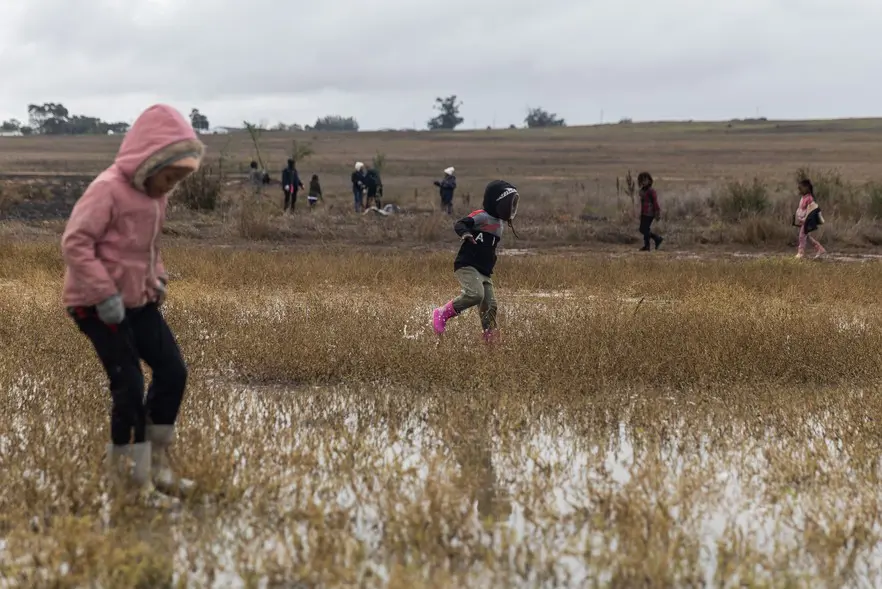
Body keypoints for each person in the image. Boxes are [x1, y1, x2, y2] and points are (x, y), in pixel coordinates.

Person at [61, 104, 202, 505]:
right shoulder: (107, 189)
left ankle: (155, 466)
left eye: (179, 179)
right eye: (169, 175)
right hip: (94, 305)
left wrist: (156, 278)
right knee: (129, 385)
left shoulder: (157, 197)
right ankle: (129, 481)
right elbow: (75, 242)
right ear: (148, 160)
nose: (170, 185)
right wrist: (104, 294)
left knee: (173, 370)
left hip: (137, 302)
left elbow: (148, 248)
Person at [431, 180, 520, 343]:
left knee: (490, 304)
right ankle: (442, 313)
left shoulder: (500, 223)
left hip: (484, 270)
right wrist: (466, 234)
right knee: (475, 294)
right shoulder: (482, 216)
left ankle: (489, 335)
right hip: (467, 265)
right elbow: (460, 224)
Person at [794, 178, 826, 258]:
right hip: (802, 220)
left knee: (802, 235)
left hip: (806, 220)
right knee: (806, 236)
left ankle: (800, 252)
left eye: (801, 188)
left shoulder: (809, 198)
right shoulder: (804, 197)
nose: (800, 190)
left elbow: (810, 210)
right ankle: (820, 249)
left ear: (806, 188)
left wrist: (805, 218)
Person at [637, 171, 663, 251]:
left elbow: (655, 202)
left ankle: (650, 243)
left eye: (645, 180)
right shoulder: (642, 191)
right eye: (642, 181)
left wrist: (657, 212)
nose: (644, 182)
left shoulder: (651, 191)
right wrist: (640, 213)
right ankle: (655, 240)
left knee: (645, 229)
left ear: (649, 181)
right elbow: (642, 204)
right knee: (643, 229)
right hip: (644, 213)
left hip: (650, 213)